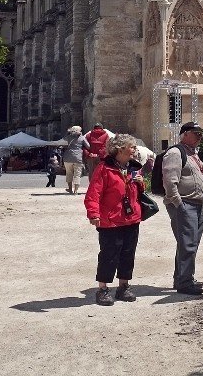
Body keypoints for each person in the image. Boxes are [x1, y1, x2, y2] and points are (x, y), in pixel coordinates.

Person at [84, 133, 144, 306]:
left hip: (131, 218)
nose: (134, 149)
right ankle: (103, 289)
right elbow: (93, 194)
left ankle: (123, 286)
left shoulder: (134, 167)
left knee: (128, 253)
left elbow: (136, 193)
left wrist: (140, 183)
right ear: (120, 149)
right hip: (110, 220)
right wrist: (93, 213)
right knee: (109, 255)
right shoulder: (104, 168)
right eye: (131, 146)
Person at [163, 121, 203, 295]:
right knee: (188, 243)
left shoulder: (193, 153)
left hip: (196, 203)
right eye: (196, 133)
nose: (200, 137)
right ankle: (185, 282)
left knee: (189, 243)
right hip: (184, 203)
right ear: (185, 134)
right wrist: (178, 203)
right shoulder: (175, 152)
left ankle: (182, 278)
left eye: (201, 133)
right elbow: (170, 180)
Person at [62, 125, 89, 194]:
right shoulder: (82, 138)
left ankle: (70, 189)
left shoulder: (68, 137)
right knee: (77, 174)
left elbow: (62, 142)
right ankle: (76, 191)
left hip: (67, 157)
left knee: (69, 173)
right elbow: (88, 146)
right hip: (78, 158)